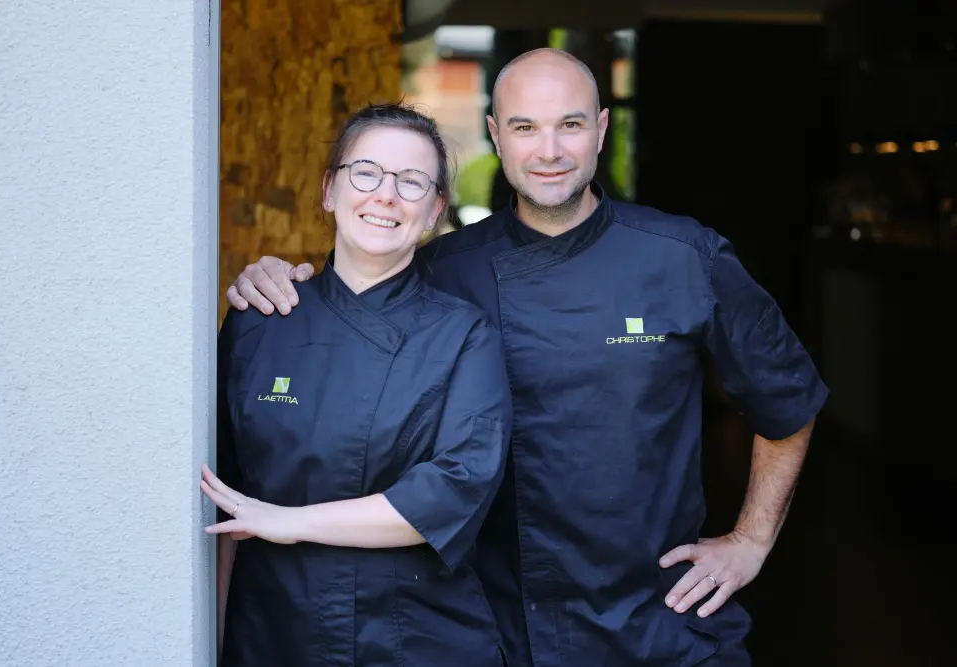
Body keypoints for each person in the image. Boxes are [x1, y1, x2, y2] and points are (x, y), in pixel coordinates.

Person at [225, 49, 829, 666]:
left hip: (658, 621)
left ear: (601, 129)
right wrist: (279, 284)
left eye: (570, 125)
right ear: (495, 135)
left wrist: (751, 540)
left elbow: (787, 397)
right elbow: (353, 298)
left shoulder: (684, 256)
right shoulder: (442, 269)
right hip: (498, 629)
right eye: (524, 127)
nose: (549, 151)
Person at [200, 103, 512, 667]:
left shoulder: (465, 336)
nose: (385, 195)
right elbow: (219, 497)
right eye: (365, 173)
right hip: (273, 632)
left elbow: (454, 490)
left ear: (435, 209)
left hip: (414, 639)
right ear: (329, 190)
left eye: (411, 181)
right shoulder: (258, 322)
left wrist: (290, 521)